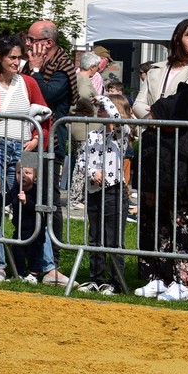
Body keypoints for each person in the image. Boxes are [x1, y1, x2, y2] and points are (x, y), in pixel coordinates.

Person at [131, 18, 188, 301]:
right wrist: (152, 117)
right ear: (178, 39)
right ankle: (158, 276)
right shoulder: (155, 70)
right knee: (155, 214)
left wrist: (173, 117)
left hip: (185, 148)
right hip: (154, 146)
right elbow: (139, 102)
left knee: (182, 216)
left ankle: (183, 280)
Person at [0, 34, 52, 283]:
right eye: (12, 57)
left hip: (25, 148)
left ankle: (43, 266)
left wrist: (38, 140)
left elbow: (45, 117)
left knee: (33, 207)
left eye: (19, 57)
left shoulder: (28, 83)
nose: (17, 62)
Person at [23, 20, 78, 270]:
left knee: (49, 200)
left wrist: (34, 72)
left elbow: (45, 96)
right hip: (29, 143)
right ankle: (27, 256)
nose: (27, 44)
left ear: (48, 43)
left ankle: (52, 259)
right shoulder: (32, 63)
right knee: (27, 194)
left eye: (32, 40)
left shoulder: (62, 68)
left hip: (50, 145)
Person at [75, 95, 131, 295]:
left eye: (103, 108)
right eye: (98, 108)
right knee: (95, 237)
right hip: (94, 192)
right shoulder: (93, 135)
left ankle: (117, 282)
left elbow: (116, 119)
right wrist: (92, 172)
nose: (99, 110)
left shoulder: (121, 134)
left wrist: (102, 98)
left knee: (114, 239)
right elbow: (81, 160)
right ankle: (96, 279)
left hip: (114, 192)